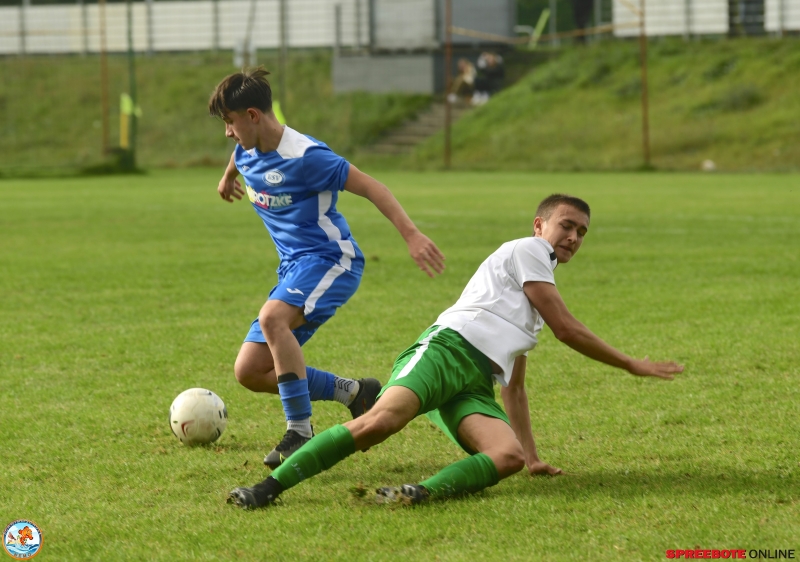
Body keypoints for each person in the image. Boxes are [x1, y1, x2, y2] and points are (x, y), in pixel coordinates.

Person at [227, 194, 683, 509]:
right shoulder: (529, 250)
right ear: (540, 225)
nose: (574, 237)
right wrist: (630, 363)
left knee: (508, 457)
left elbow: (516, 388)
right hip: (445, 351)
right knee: (378, 423)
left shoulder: (535, 294)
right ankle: (267, 488)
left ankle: (415, 493)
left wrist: (534, 454)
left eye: (582, 232)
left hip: (474, 383)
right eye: (567, 225)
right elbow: (568, 329)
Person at [208, 68, 445, 469]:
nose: (227, 133)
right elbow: (238, 157)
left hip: (331, 261)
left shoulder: (306, 157)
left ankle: (299, 431)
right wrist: (226, 177)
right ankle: (355, 393)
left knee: (272, 319)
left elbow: (373, 187)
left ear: (252, 115)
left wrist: (412, 235)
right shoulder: (247, 150)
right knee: (250, 370)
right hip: (293, 269)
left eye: (229, 122)